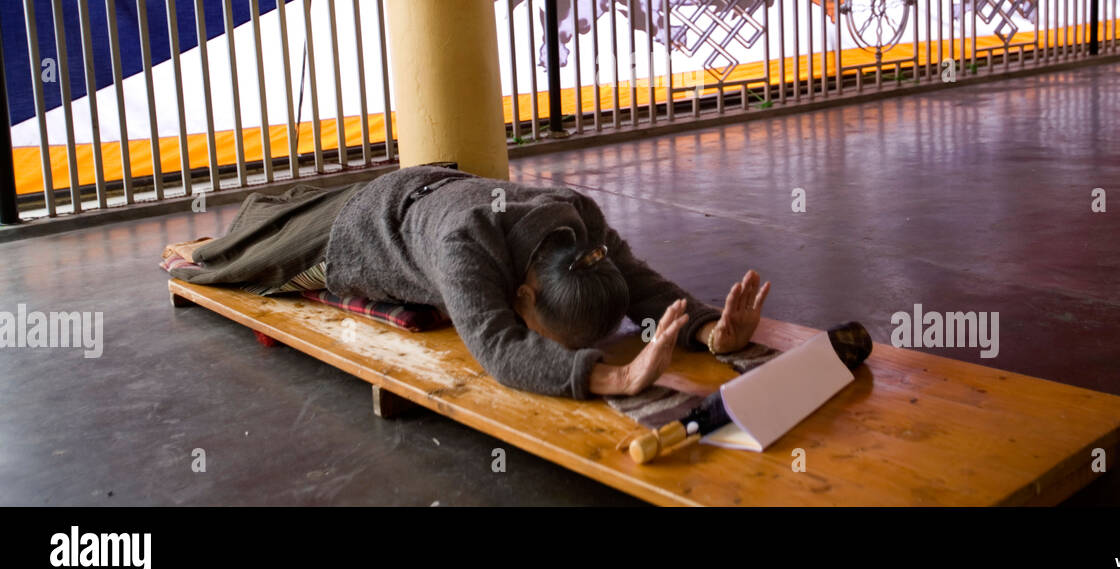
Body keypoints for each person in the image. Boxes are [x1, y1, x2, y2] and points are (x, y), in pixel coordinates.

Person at [177, 164, 771, 400]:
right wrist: (613, 375)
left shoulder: (577, 221)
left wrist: (709, 328)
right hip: (362, 232)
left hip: (432, 186)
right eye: (548, 333)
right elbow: (496, 346)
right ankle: (229, 239)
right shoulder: (466, 247)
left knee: (272, 227)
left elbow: (638, 282)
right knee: (245, 262)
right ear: (522, 297)